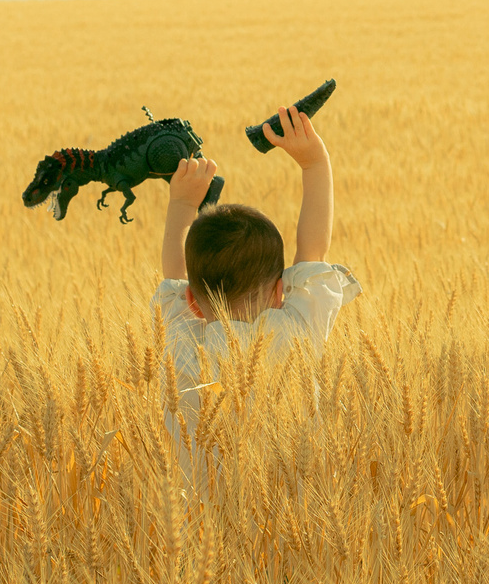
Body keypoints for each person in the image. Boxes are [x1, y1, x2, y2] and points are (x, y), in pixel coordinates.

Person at [153, 105, 359, 432]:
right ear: (281, 291)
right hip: (290, 483)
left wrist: (182, 204)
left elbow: (174, 276)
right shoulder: (297, 333)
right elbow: (313, 250)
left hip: (185, 487)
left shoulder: (182, 345)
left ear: (191, 300)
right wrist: (315, 163)